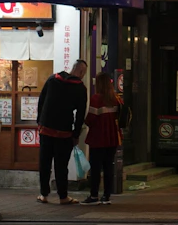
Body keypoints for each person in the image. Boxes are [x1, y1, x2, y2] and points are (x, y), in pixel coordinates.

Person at [36, 58, 88, 205]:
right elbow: (80, 114)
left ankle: (44, 194)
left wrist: (40, 122)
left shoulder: (53, 79)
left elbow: (41, 101)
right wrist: (76, 134)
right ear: (81, 71)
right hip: (64, 132)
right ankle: (63, 197)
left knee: (44, 163)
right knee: (61, 166)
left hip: (46, 129)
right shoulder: (80, 88)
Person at [82, 71, 124, 205]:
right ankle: (106, 195)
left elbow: (90, 119)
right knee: (108, 167)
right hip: (113, 138)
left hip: (98, 138)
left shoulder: (96, 99)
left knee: (95, 168)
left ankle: (94, 195)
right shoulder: (116, 98)